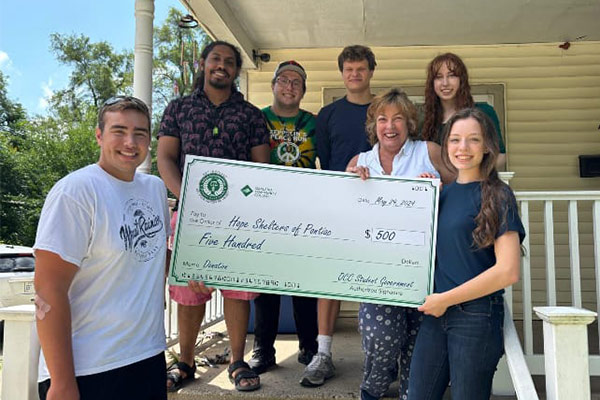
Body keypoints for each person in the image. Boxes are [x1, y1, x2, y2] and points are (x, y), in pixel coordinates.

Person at [34, 96, 170, 400]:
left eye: (140, 133)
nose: (130, 142)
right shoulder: (76, 192)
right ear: (99, 136)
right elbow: (48, 289)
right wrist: (62, 382)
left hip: (147, 356)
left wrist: (198, 270)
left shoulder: (154, 189)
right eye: (118, 131)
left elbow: (153, 257)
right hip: (89, 369)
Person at [157, 40, 270, 392]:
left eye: (229, 61)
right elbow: (165, 159)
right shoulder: (178, 108)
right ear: (204, 64)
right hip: (190, 213)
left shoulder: (251, 115)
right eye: (215, 59)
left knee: (237, 290)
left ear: (237, 70)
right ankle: (186, 362)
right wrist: (188, 198)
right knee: (188, 291)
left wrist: (243, 206)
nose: (221, 65)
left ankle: (237, 361)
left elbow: (261, 165)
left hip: (237, 216)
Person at [408, 107, 525, 400]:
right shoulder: (441, 194)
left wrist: (444, 300)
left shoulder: (498, 194)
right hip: (435, 315)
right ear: (445, 145)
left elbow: (508, 271)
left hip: (475, 317)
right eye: (455, 140)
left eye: (473, 139)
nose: (463, 148)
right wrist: (422, 197)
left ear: (487, 146)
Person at [346, 88, 454, 400]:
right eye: (382, 119)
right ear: (373, 126)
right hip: (376, 269)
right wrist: (349, 183)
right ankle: (375, 387)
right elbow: (341, 214)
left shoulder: (429, 152)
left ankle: (411, 391)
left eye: (398, 119)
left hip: (426, 267)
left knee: (417, 341)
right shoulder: (359, 161)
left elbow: (461, 188)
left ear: (409, 123)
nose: (390, 126)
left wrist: (437, 188)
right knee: (381, 336)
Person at [302, 44, 376, 387]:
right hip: (337, 203)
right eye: (349, 69)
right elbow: (326, 159)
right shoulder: (328, 115)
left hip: (379, 204)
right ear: (342, 73)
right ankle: (324, 353)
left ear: (371, 71)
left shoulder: (383, 110)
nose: (355, 75)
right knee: (329, 279)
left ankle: (379, 357)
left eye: (361, 69)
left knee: (375, 279)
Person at [248, 60, 318, 374]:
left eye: (296, 82)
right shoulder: (257, 119)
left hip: (304, 209)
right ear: (274, 84)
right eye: (284, 80)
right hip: (265, 210)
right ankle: (263, 349)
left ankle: (310, 345)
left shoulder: (314, 123)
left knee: (304, 283)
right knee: (265, 283)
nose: (289, 87)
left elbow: (328, 165)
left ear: (303, 90)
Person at [420, 53, 507, 169]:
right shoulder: (423, 118)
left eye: (451, 76)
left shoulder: (484, 112)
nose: (445, 83)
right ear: (432, 83)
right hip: (436, 184)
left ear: (462, 80)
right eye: (438, 77)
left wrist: (475, 175)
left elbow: (500, 156)